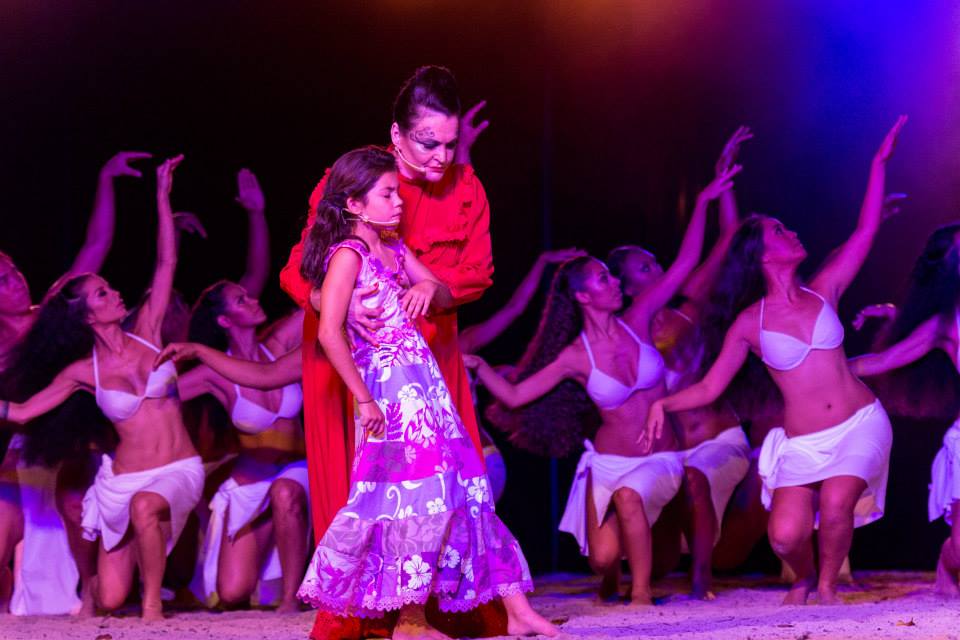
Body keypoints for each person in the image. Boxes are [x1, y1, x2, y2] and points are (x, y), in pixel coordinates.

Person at [290, 145, 556, 639]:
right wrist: (364, 399)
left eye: (397, 192)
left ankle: (515, 612)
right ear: (354, 204)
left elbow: (437, 287)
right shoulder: (346, 255)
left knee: (466, 489)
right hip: (389, 396)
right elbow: (328, 333)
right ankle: (410, 621)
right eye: (387, 194)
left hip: (426, 388)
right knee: (410, 502)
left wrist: (427, 289)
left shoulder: (391, 248)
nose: (398, 203)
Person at [644, 116, 907, 605]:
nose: (792, 233)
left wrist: (878, 164)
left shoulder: (825, 288)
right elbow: (709, 387)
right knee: (784, 536)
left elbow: (866, 229)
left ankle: (826, 588)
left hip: (860, 423)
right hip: (804, 443)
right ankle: (806, 576)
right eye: (779, 231)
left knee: (834, 504)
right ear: (762, 254)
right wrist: (664, 405)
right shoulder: (749, 322)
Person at [279, 65, 497, 639]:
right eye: (428, 142)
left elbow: (475, 278)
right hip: (354, 353)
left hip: (427, 355)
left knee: (441, 482)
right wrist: (339, 303)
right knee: (363, 480)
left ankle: (424, 609)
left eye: (451, 143)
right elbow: (300, 267)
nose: (441, 156)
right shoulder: (353, 178)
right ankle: (367, 614)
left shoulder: (467, 188)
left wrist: (432, 288)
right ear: (397, 136)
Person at [470, 166, 740, 604]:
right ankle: (614, 579)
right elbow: (517, 396)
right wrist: (480, 365)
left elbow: (685, 265)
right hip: (609, 465)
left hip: (661, 457)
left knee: (633, 500)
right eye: (603, 279)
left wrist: (706, 201)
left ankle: (640, 599)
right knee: (602, 559)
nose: (616, 283)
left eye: (613, 277)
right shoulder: (576, 357)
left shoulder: (636, 319)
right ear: (582, 297)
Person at [0, 155, 204, 620]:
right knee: (111, 596)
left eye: (110, 288)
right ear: (87, 316)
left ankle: (153, 608)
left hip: (177, 468)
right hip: (121, 481)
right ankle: (98, 588)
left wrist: (161, 195)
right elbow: (26, 411)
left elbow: (166, 261)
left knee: (148, 507)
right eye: (102, 293)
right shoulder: (81, 371)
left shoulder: (148, 329)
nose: (115, 293)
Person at [609, 126, 752, 599]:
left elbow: (729, 238)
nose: (658, 270)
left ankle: (702, 581)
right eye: (646, 268)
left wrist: (719, 186)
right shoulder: (624, 334)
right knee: (647, 541)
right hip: (671, 450)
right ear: (626, 287)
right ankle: (618, 570)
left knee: (695, 482)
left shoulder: (687, 309)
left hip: (715, 440)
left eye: (656, 264)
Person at [175, 283, 306, 612]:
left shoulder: (280, 346)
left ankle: (289, 599)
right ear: (224, 321)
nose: (254, 300)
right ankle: (271, 535)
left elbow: (319, 305)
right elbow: (155, 396)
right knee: (233, 593)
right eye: (241, 300)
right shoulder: (214, 371)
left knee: (285, 492)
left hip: (298, 471)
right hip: (251, 481)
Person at [849, 222, 960, 596]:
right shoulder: (941, 325)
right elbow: (881, 362)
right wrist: (817, 369)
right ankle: (948, 564)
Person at [459, 247, 586, 502]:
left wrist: (541, 262)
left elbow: (514, 310)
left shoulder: (461, 347)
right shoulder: (398, 360)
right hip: (435, 470)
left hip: (478, 460)